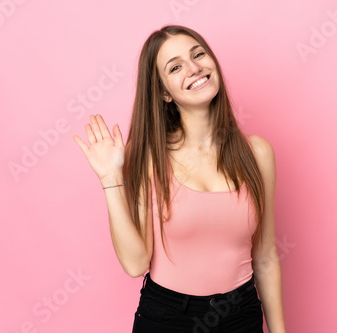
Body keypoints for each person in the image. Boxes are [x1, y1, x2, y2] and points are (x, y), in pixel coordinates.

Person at [73, 25, 286, 333]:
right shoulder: (147, 156)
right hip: (167, 317)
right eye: (175, 67)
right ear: (163, 92)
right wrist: (110, 179)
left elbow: (265, 256)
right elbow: (135, 264)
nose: (194, 67)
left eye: (198, 54)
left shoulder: (258, 153)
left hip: (241, 314)